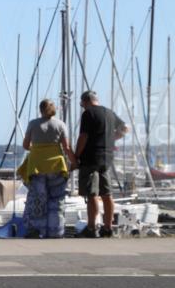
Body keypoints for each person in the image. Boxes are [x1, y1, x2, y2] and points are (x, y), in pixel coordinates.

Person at [72, 90, 128, 238]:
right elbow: (125, 128)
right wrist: (112, 139)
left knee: (92, 195)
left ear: (86, 101)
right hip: (107, 158)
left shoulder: (88, 113)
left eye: (82, 104)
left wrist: (76, 156)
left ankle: (91, 228)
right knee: (107, 194)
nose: (82, 106)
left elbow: (83, 136)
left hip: (90, 158)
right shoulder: (109, 113)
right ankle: (107, 228)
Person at [17, 100, 75, 238]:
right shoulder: (60, 124)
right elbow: (66, 148)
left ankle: (36, 230)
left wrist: (36, 149)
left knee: (38, 199)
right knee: (57, 200)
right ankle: (56, 231)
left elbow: (26, 145)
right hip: (56, 165)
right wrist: (75, 162)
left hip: (37, 165)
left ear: (40, 110)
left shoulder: (33, 124)